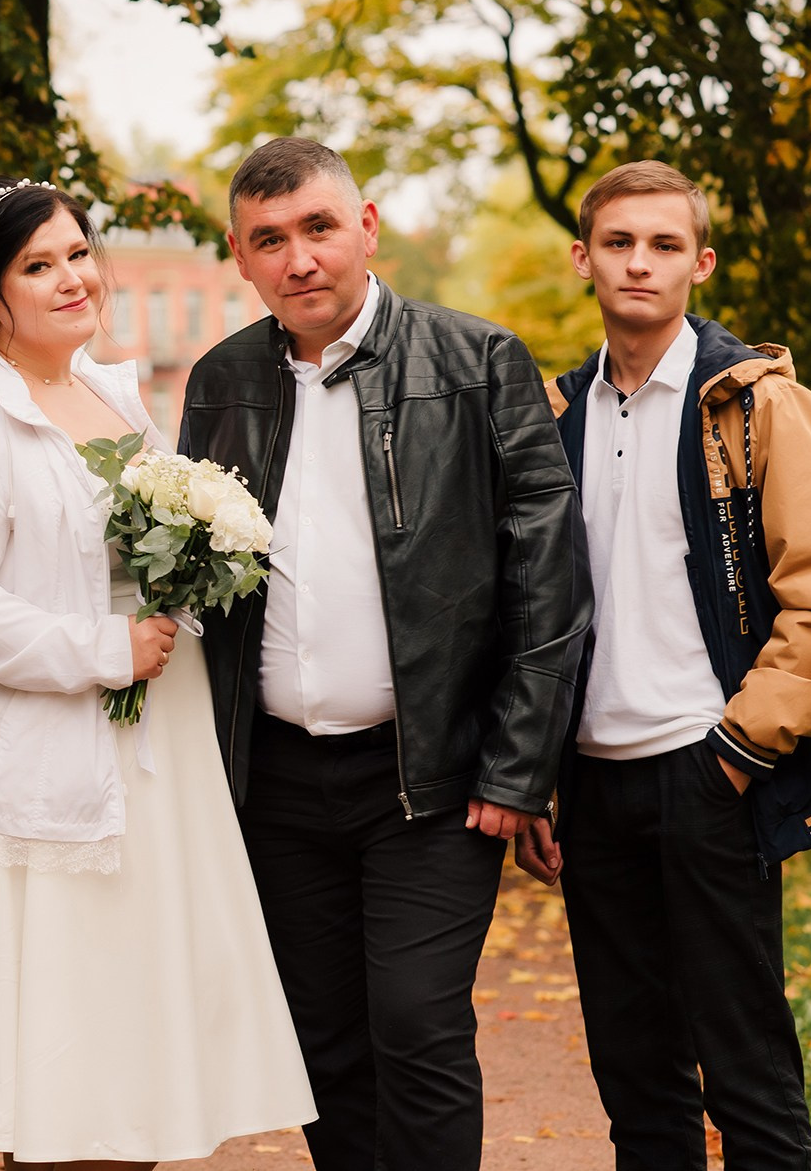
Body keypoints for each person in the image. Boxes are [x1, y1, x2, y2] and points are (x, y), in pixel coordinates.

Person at [178, 137, 591, 1171]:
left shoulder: (476, 361)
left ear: (365, 227)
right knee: (321, 1043)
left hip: (430, 775)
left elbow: (548, 578)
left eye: (317, 227)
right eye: (268, 239)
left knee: (414, 1019)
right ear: (239, 255)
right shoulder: (220, 379)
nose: (297, 258)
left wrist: (516, 767)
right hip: (272, 781)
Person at [0, 175, 317, 1168]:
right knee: (71, 1084)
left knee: (138, 1078)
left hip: (157, 762)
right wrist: (96, 651)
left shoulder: (112, 394)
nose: (71, 276)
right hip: (54, 780)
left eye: (77, 252)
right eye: (37, 265)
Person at [518, 160, 811, 1170]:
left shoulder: (753, 404)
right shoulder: (553, 418)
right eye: (620, 241)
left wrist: (736, 747)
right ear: (582, 255)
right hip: (593, 786)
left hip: (707, 768)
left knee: (747, 1074)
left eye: (663, 244)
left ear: (699, 262)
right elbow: (532, 613)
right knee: (635, 1083)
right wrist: (539, 775)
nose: (639, 262)